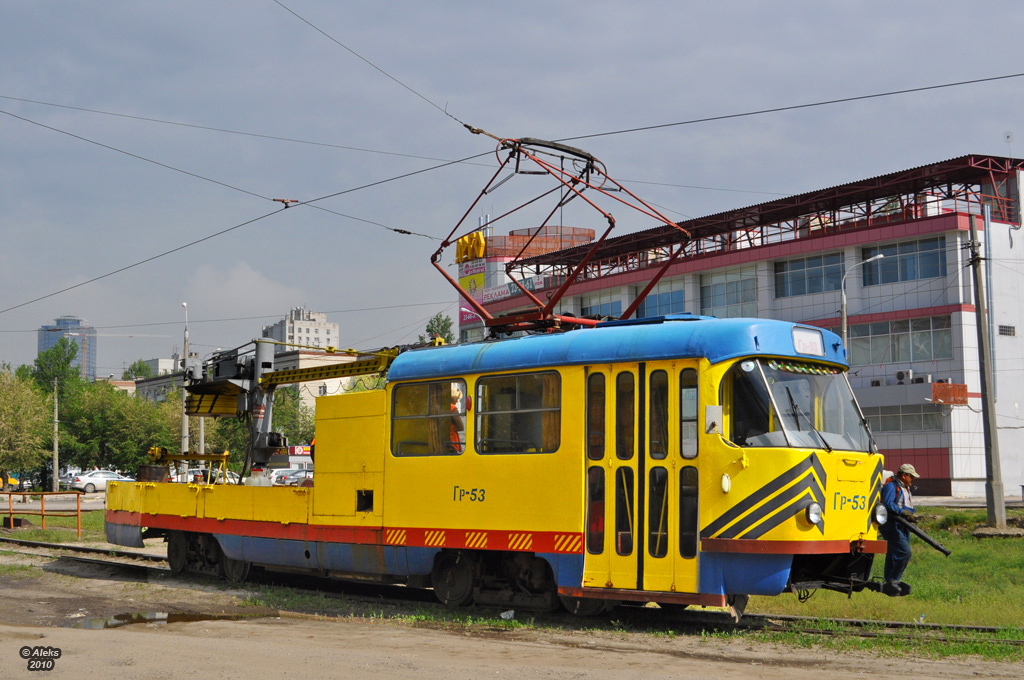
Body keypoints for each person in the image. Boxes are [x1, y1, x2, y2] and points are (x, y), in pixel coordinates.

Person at [880, 462, 920, 596]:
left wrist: (911, 514)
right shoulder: (891, 486)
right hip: (892, 525)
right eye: (911, 477)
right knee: (904, 553)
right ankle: (894, 580)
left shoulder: (906, 488)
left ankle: (888, 581)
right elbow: (888, 504)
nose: (913, 479)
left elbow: (905, 505)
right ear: (904, 475)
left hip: (902, 525)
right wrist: (902, 512)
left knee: (892, 553)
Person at [449, 386, 464, 453]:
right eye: (457, 398)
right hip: (453, 442)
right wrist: (454, 428)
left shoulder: (444, 407)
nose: (457, 401)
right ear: (453, 396)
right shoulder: (453, 408)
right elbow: (461, 427)